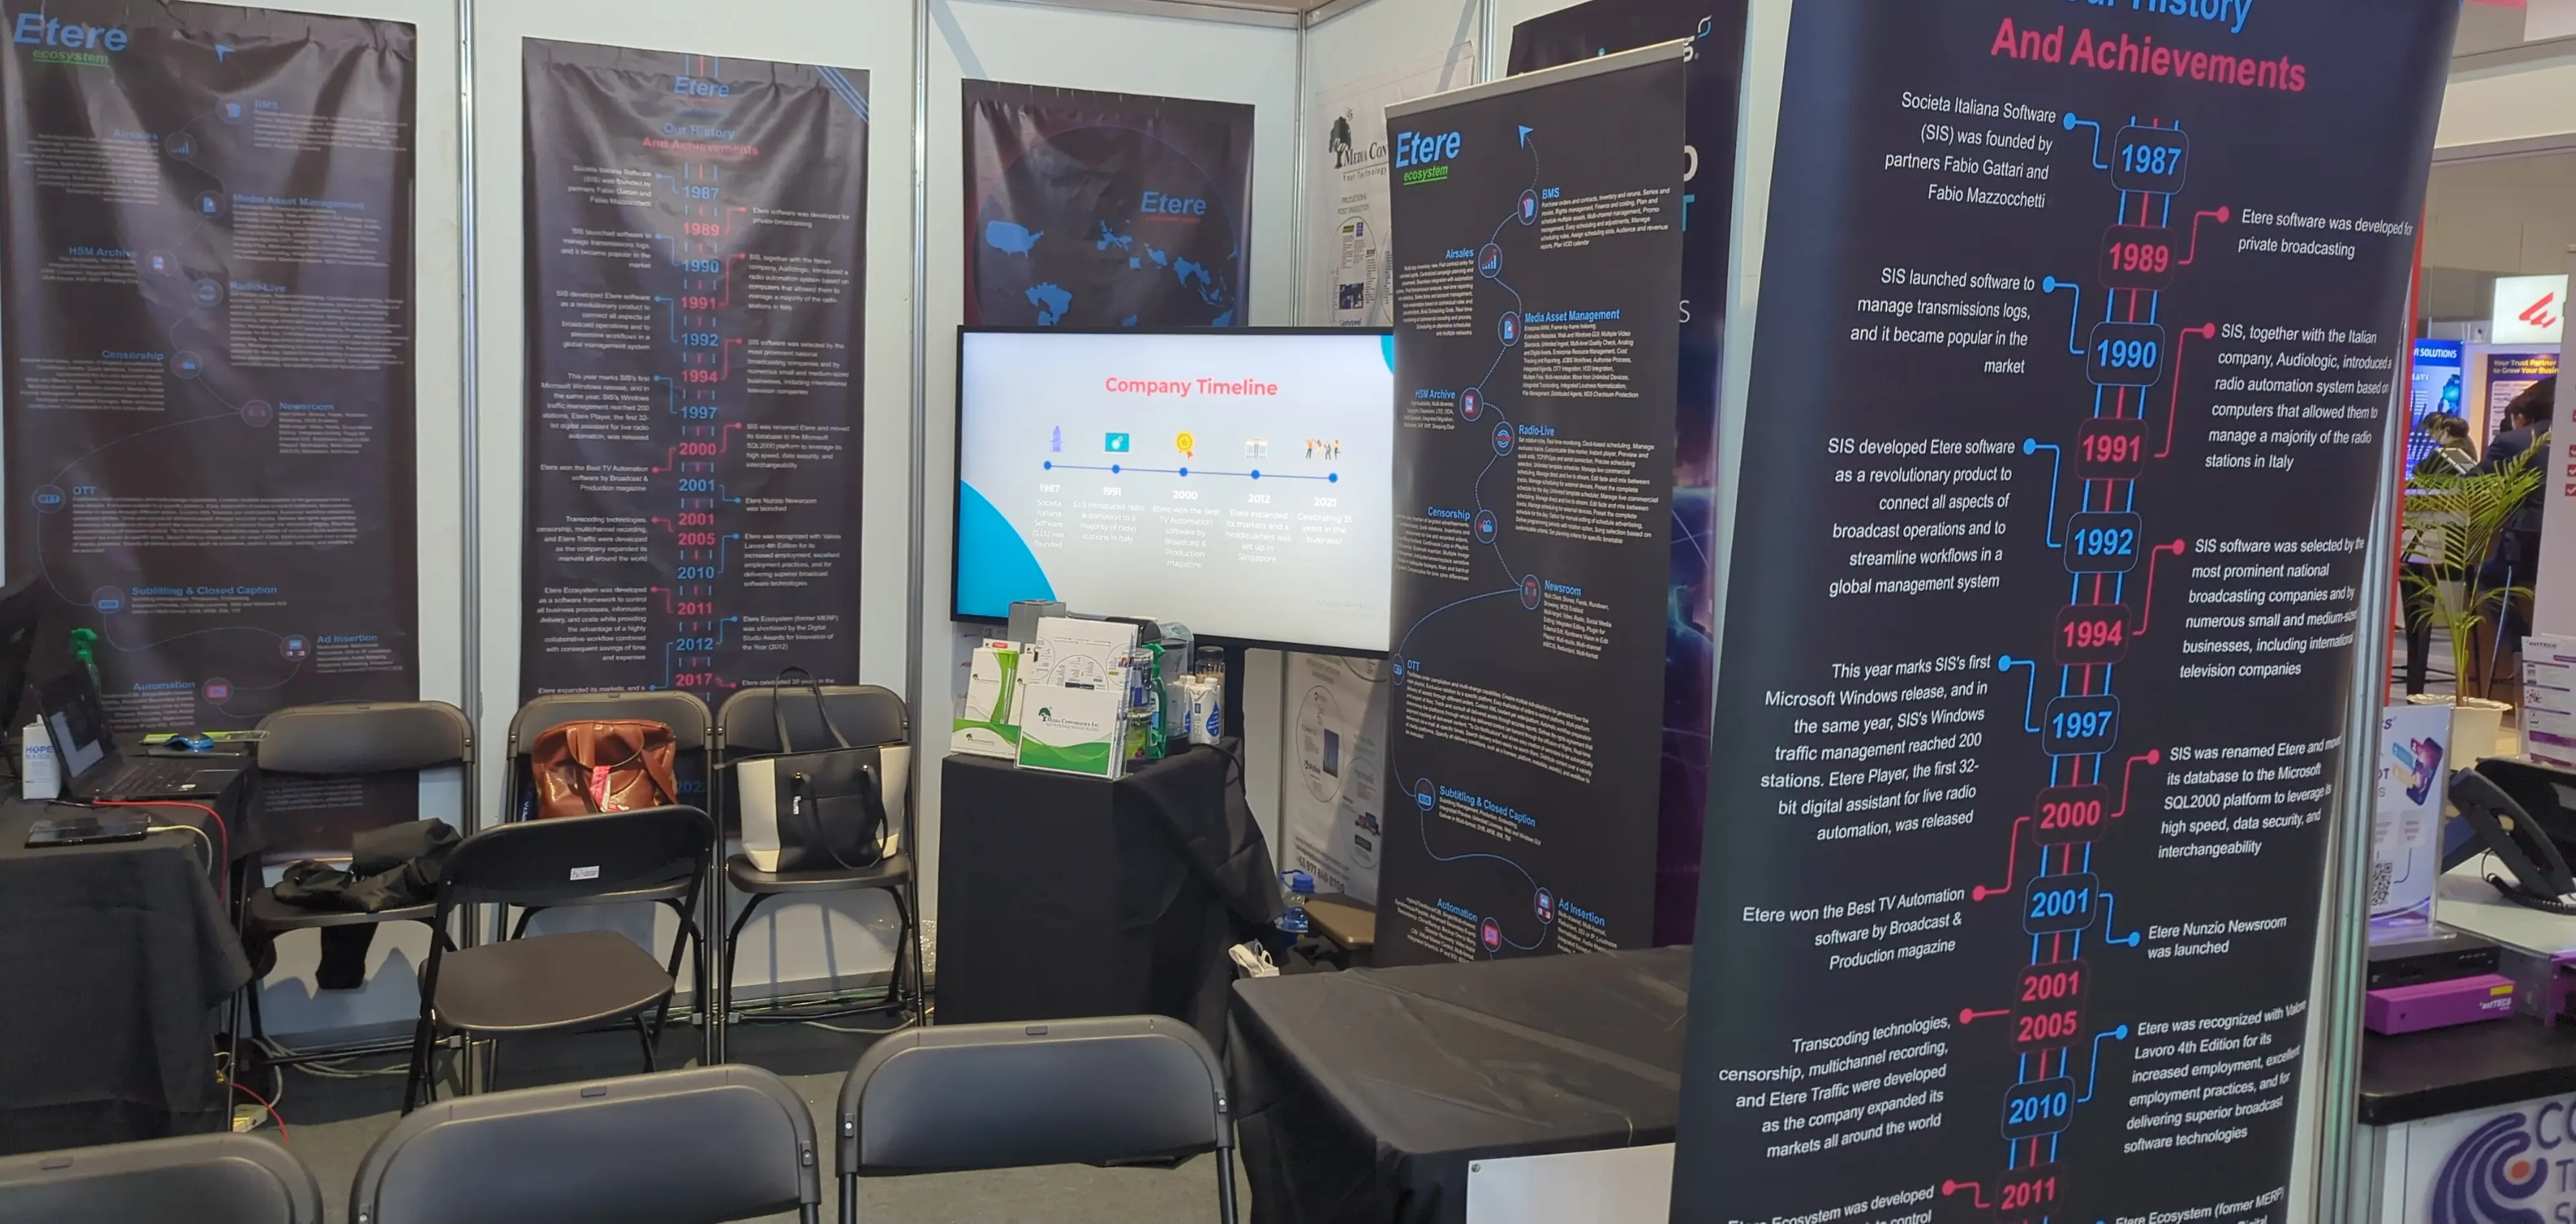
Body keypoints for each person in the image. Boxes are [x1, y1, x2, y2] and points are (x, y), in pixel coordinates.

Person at [2414, 412, 2475, 478]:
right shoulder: (2466, 442)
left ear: (2444, 431)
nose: (2431, 437)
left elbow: (2420, 471)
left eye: (2431, 432)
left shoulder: (2447, 451)